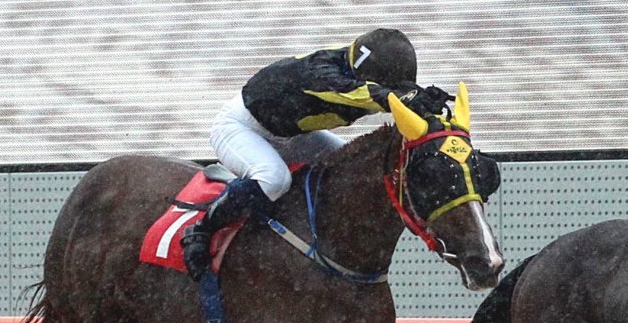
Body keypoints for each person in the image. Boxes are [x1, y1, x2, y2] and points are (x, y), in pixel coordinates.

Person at [180, 28, 452, 281]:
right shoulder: (320, 71)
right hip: (241, 127)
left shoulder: (361, 69)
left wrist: (423, 100)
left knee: (347, 167)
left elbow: (392, 93)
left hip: (292, 135)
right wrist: (404, 97)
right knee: (274, 179)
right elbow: (360, 93)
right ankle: (201, 230)